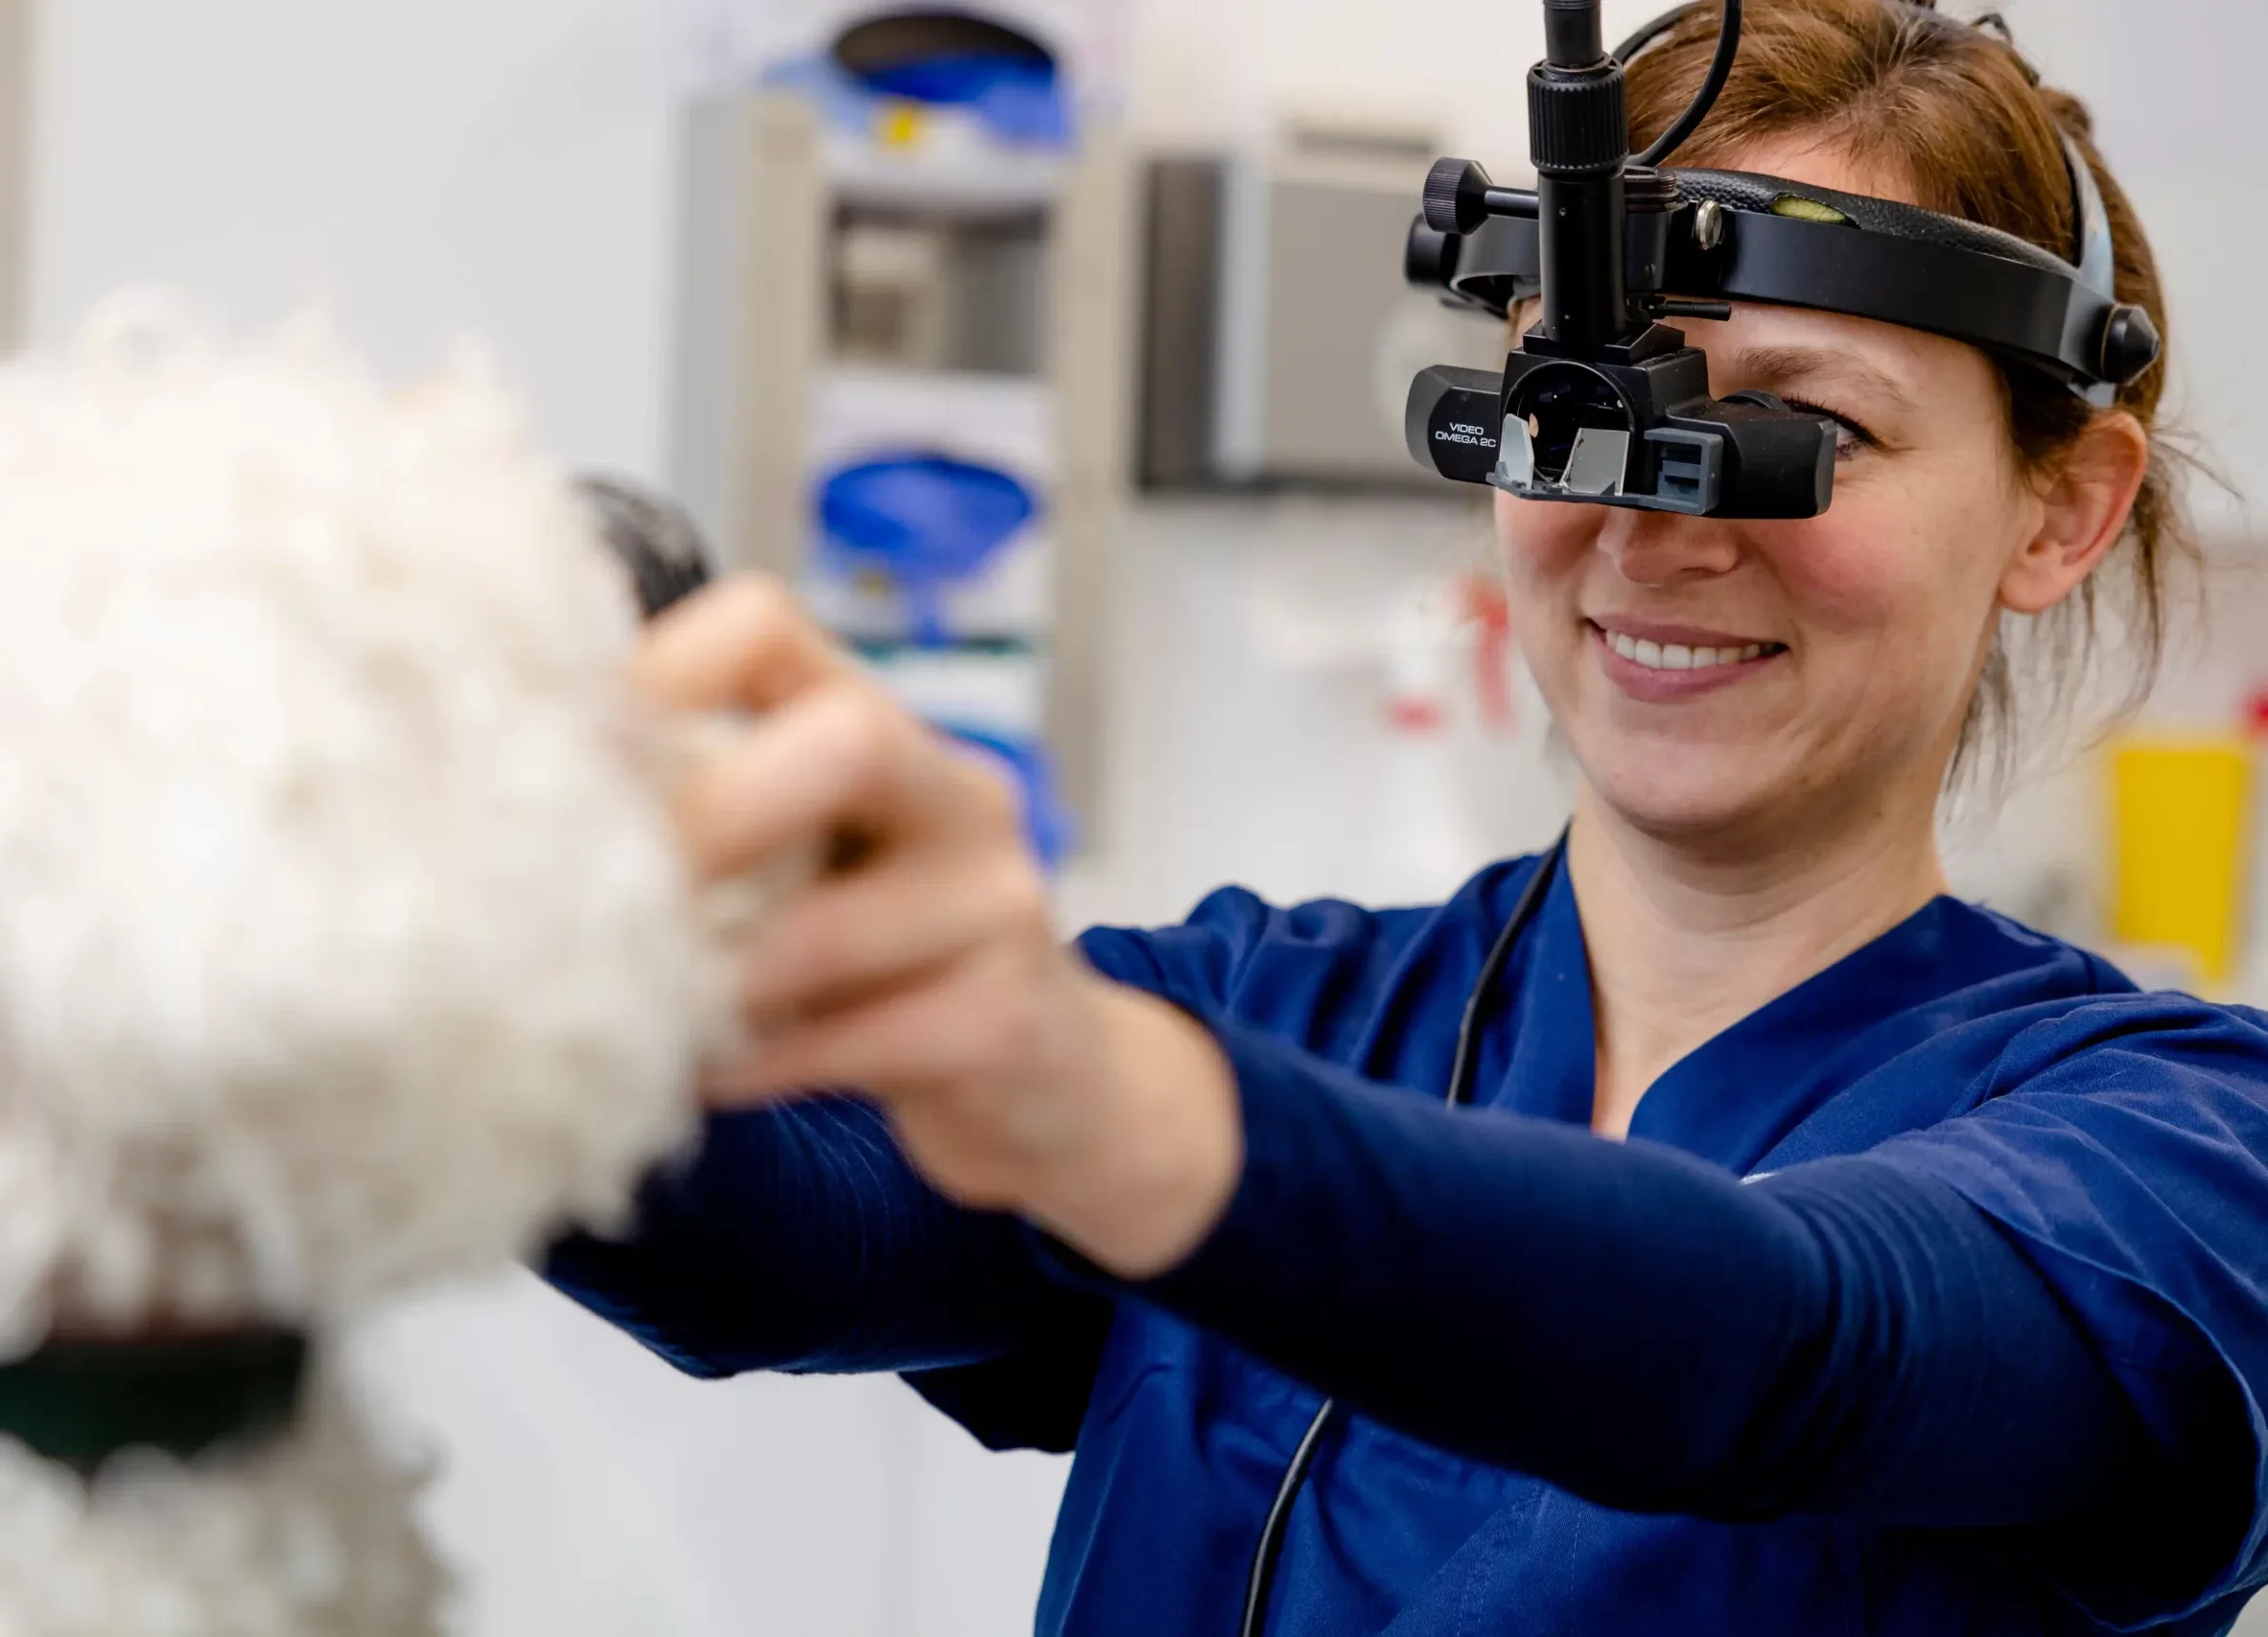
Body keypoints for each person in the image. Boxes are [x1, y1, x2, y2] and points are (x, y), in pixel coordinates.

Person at [548, 3, 2268, 1631]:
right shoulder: (1256, 1010)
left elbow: (1781, 1347)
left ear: (2066, 515)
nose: (1661, 530)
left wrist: (1109, 1106)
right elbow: (767, 1246)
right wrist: (456, 898)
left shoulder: (2179, 1153)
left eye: (1801, 430)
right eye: (1580, 407)